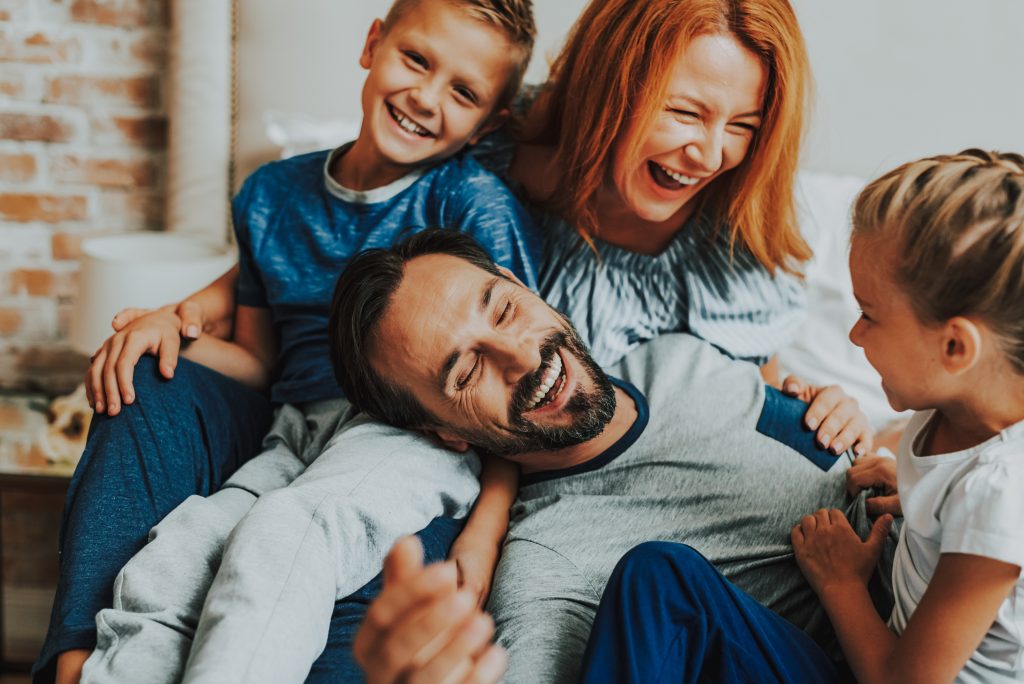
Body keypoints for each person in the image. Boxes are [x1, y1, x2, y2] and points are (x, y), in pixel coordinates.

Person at [36, 1, 539, 682]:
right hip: (294, 431)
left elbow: (517, 390)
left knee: (282, 540)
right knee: (187, 551)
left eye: (464, 91)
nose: (426, 97)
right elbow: (257, 359)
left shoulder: (472, 203)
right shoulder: (271, 195)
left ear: (490, 121)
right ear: (372, 44)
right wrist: (165, 330)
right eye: (416, 59)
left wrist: (488, 528)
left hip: (408, 435)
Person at [329, 229, 887, 683]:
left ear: (521, 284)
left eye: (503, 311)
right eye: (468, 371)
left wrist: (863, 432)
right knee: (660, 573)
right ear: (443, 432)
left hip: (935, 599)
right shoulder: (549, 571)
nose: (521, 355)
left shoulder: (678, 355)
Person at [575, 150, 1024, 684]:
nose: (854, 336)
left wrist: (842, 584)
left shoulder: (1000, 494)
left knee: (660, 587)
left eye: (869, 315)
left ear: (954, 346)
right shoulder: (960, 406)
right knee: (657, 575)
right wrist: (921, 496)